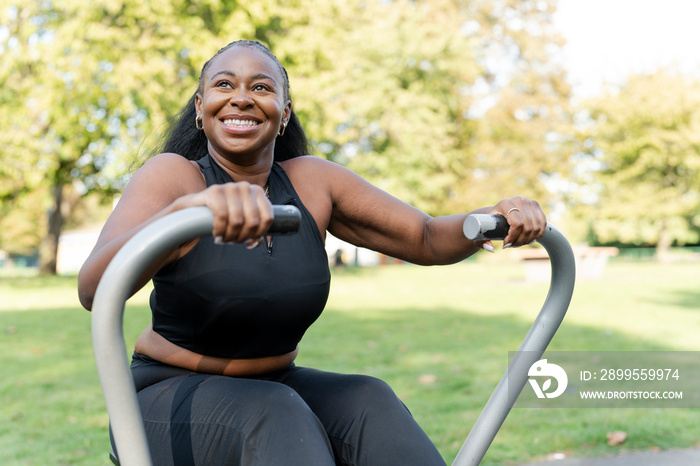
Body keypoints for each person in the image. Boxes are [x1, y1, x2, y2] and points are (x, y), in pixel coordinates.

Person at [78, 40, 546, 466]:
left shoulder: (313, 183)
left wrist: (497, 215)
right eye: (224, 85)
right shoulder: (174, 177)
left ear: (283, 114)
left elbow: (424, 236)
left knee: (370, 401)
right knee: (273, 413)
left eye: (261, 87)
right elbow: (95, 287)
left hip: (275, 386)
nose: (241, 97)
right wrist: (185, 214)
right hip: (165, 396)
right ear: (201, 109)